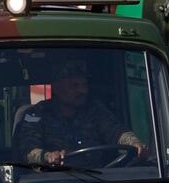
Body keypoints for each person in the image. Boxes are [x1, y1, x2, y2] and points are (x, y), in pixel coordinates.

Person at [14, 58, 145, 167]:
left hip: (98, 181)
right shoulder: (37, 114)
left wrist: (134, 143)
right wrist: (48, 157)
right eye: (74, 85)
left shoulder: (95, 110)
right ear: (57, 87)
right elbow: (28, 151)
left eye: (84, 85)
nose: (82, 91)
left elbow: (116, 131)